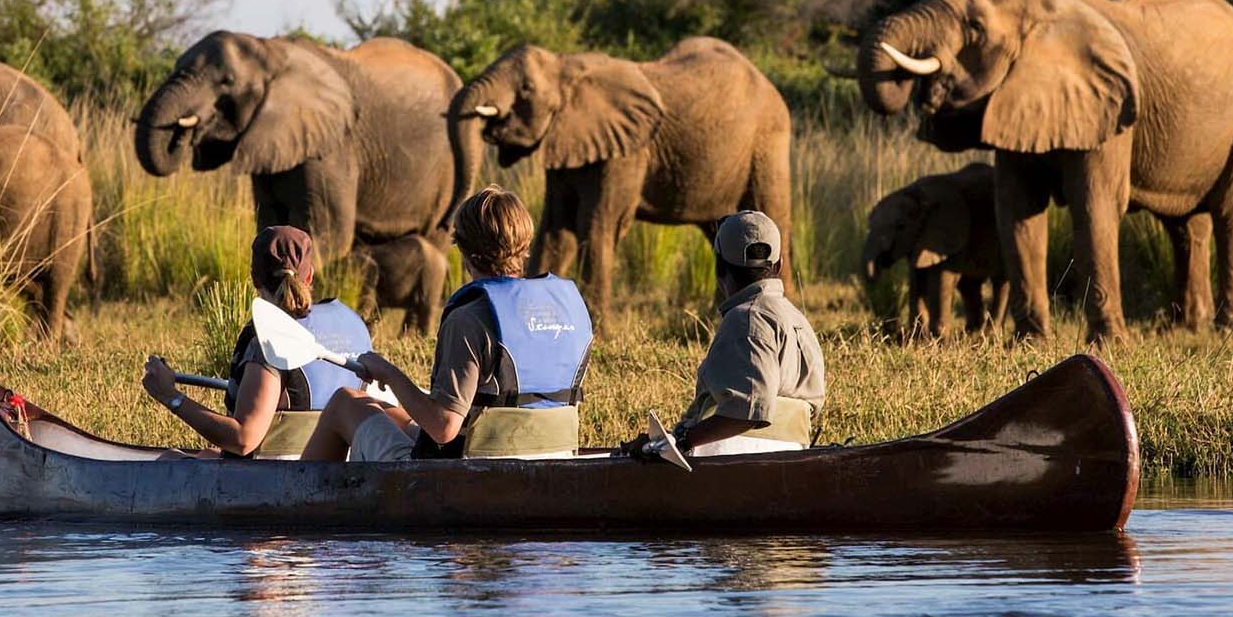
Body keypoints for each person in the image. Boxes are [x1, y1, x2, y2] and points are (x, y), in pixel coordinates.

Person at [299, 186, 593, 461]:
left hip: (465, 478)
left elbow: (444, 427)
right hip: (553, 458)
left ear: (465, 251)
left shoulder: (469, 319)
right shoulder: (569, 309)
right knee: (389, 413)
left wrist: (389, 373)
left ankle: (299, 507)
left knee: (346, 403)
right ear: (525, 244)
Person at [140, 225, 372, 457]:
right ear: (310, 275)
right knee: (207, 455)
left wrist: (171, 396)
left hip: (278, 480)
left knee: (170, 458)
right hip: (339, 471)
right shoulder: (353, 324)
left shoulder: (269, 340)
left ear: (254, 278)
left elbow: (243, 439)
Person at [622, 210, 825, 459]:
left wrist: (682, 441)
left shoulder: (746, 318)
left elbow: (748, 411)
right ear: (780, 265)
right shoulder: (799, 321)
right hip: (792, 456)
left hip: (729, 464)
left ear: (719, 268)